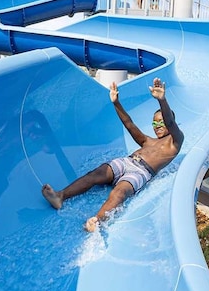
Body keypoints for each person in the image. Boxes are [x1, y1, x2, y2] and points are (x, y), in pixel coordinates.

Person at [42, 77, 184, 232]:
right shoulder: (147, 141)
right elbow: (129, 124)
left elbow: (170, 122)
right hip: (126, 162)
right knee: (94, 174)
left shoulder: (175, 142)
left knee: (120, 192)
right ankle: (60, 196)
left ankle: (96, 221)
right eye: (154, 123)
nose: (157, 126)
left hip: (141, 172)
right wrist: (116, 103)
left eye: (160, 122)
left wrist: (162, 100)